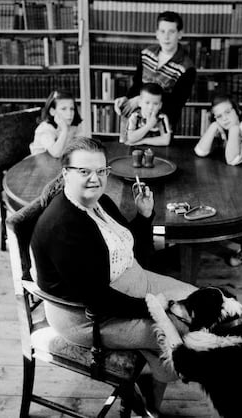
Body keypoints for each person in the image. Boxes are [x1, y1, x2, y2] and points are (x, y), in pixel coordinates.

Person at [30, 137, 197, 417]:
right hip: (87, 317)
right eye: (84, 171)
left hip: (132, 283)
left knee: (199, 307)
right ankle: (150, 404)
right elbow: (98, 297)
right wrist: (156, 308)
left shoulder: (100, 201)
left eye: (101, 171)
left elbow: (129, 250)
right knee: (180, 333)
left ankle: (150, 378)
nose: (95, 179)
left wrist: (144, 216)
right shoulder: (63, 227)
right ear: (65, 174)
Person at [194, 93, 242, 267]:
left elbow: (233, 159)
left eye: (228, 112)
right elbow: (200, 151)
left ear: (237, 111)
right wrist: (212, 128)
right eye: (219, 116)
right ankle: (220, 231)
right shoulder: (222, 128)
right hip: (233, 175)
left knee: (239, 202)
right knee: (207, 188)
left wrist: (233, 130)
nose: (224, 119)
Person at [114, 11, 196, 131]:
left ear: (180, 34)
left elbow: (176, 102)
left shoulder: (187, 68)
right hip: (137, 119)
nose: (166, 37)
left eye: (171, 32)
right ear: (157, 34)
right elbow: (137, 85)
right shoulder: (146, 54)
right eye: (162, 31)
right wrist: (127, 99)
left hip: (163, 124)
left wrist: (143, 99)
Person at [29, 90, 82, 158]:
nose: (69, 113)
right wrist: (64, 130)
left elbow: (82, 146)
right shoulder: (44, 129)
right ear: (52, 111)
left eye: (72, 109)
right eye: (63, 109)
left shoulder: (73, 126)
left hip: (59, 162)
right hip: (40, 163)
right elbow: (56, 153)